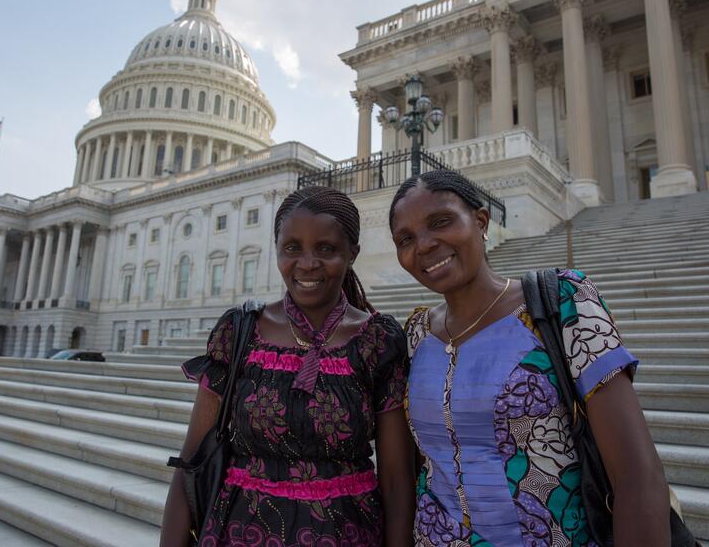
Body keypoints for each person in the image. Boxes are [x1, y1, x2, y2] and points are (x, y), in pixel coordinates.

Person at [388, 169, 670, 546]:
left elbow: (637, 474)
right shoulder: (416, 334)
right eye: (405, 239)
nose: (423, 245)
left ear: (481, 221)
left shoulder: (565, 303)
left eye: (440, 222)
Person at [160, 186, 415, 547]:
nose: (307, 263)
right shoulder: (239, 331)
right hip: (241, 532)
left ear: (352, 254)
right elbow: (191, 459)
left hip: (347, 534)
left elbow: (396, 478)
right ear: (276, 249)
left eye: (326, 249)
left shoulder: (378, 341)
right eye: (292, 248)